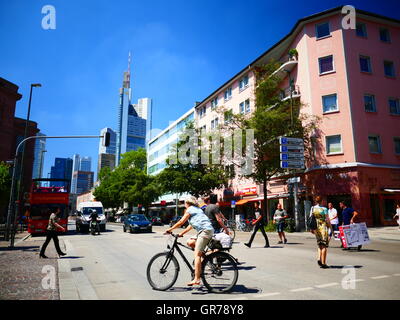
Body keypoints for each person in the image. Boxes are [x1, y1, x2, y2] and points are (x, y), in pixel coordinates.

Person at [165, 196, 214, 287]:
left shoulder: (190, 209)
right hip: (206, 231)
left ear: (188, 203)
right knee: (190, 242)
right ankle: (204, 257)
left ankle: (197, 279)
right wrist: (181, 233)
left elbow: (181, 222)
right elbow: (190, 226)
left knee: (197, 255)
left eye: (185, 203)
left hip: (205, 231)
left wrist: (170, 229)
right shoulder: (196, 209)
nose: (184, 205)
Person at [309, 196, 332, 269]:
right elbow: (327, 220)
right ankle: (323, 263)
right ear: (322, 201)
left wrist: (311, 228)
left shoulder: (313, 208)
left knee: (319, 244)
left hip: (316, 228)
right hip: (323, 227)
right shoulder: (324, 209)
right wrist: (331, 228)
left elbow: (310, 218)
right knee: (324, 245)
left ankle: (319, 258)